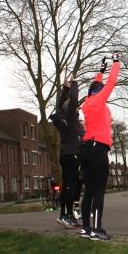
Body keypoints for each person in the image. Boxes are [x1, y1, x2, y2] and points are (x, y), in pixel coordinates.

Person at [80, 53, 120, 240]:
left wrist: (101, 70)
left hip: (86, 147)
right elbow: (111, 83)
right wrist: (116, 62)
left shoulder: (87, 103)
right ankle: (97, 230)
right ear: (100, 91)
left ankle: (86, 229)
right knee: (98, 190)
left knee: (88, 190)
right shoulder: (99, 100)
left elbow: (96, 84)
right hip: (98, 148)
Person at [50, 74, 81, 228]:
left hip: (64, 155)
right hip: (72, 154)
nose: (76, 108)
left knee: (66, 185)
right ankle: (69, 216)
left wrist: (65, 88)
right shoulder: (69, 115)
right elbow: (73, 101)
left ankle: (62, 214)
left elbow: (60, 104)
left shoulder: (60, 116)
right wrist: (74, 84)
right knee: (71, 187)